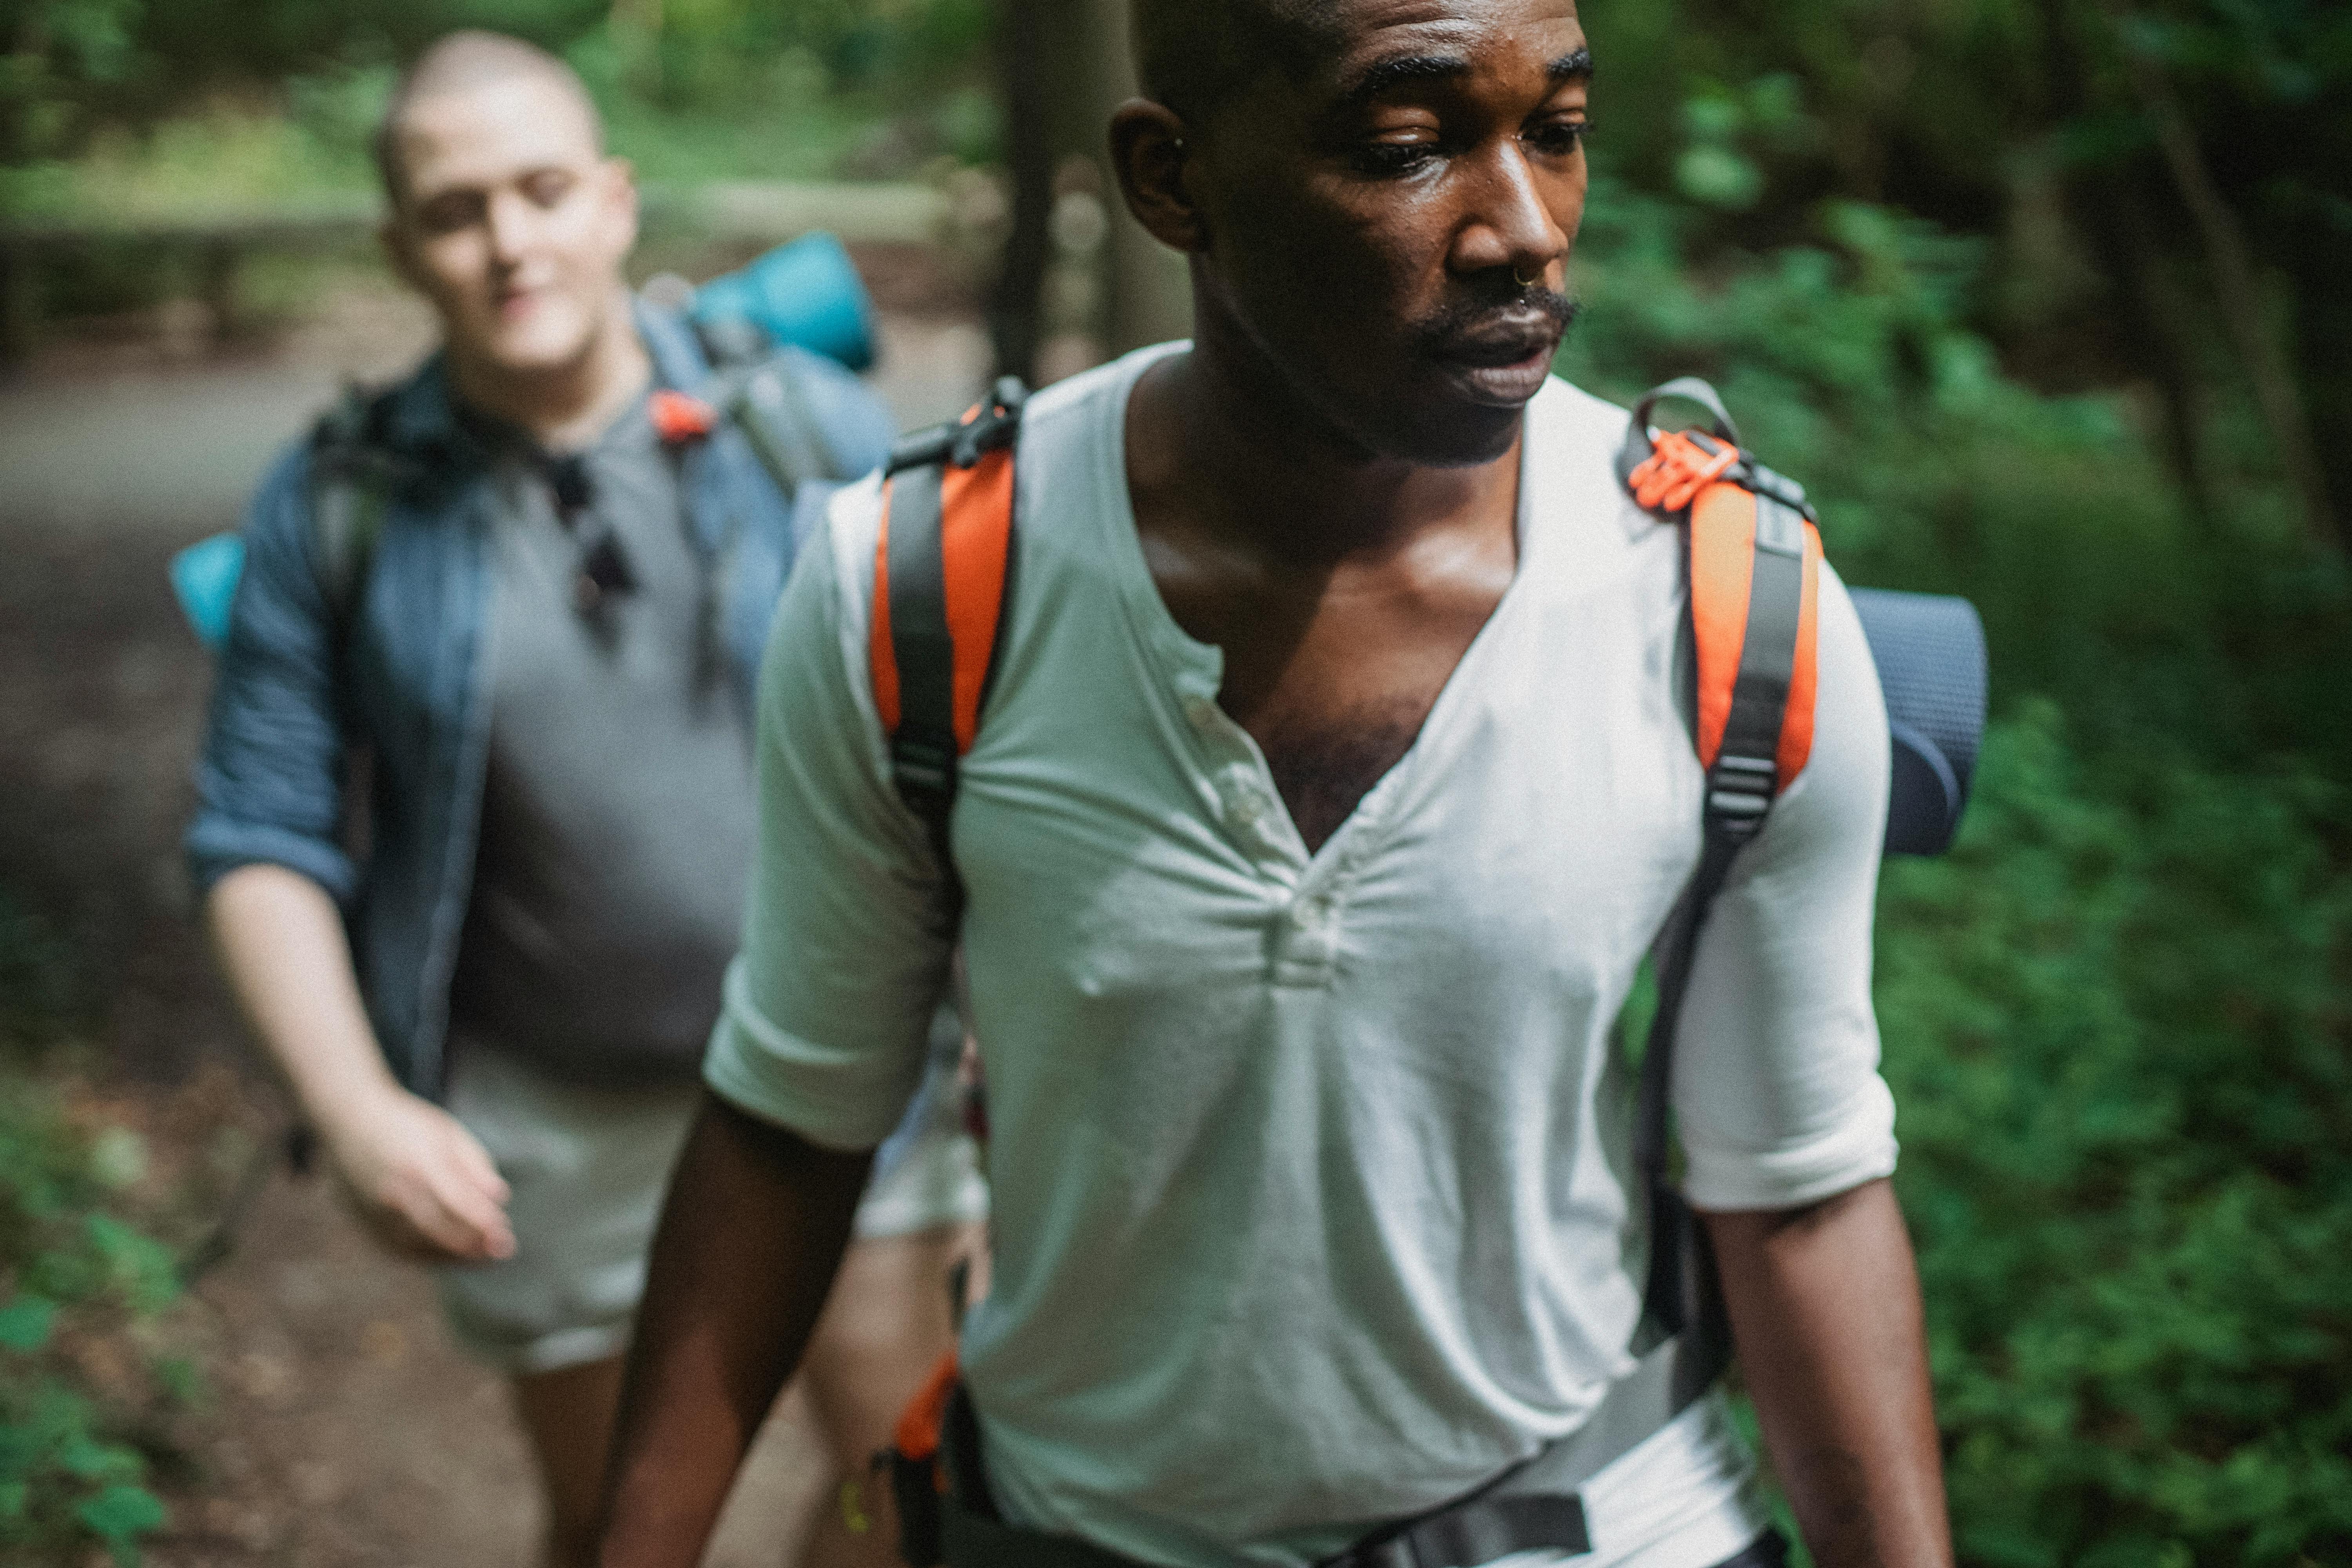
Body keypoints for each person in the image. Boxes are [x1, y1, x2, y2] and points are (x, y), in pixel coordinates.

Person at [595, 0, 1957, 1562]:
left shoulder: (1725, 606)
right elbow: (790, 1123)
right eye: (1408, 147)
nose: (1526, 229)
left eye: (1560, 133)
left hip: (1601, 1519)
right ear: (1173, 180)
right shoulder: (920, 594)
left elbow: (1797, 1188)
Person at [185, 32, 985, 1568]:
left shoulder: (802, 428)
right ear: (401, 244)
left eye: (544, 190)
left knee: (914, 1502)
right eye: (457, 207)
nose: (510, 243)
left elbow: (963, 741)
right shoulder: (340, 501)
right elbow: (261, 829)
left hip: (853, 1071)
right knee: (626, 1530)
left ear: (614, 200)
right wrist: (356, 1110)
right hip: (557, 1120)